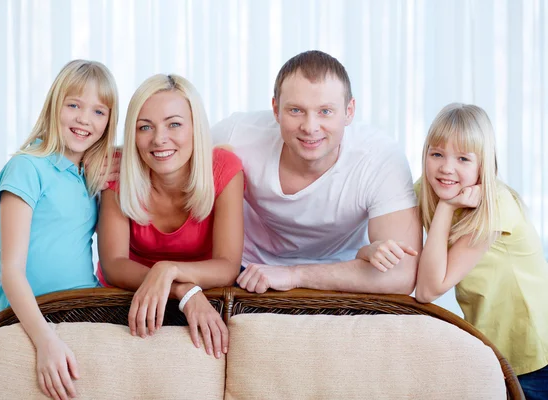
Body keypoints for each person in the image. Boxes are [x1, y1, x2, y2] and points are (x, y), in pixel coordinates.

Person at [211, 50, 421, 294]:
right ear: (275, 109)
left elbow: (403, 274)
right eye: (296, 111)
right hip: (245, 269)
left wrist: (294, 275)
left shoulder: (379, 158)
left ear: (349, 111)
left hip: (342, 274)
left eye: (325, 111)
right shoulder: (237, 134)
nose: (310, 127)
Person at [97, 74, 244, 360]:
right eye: (145, 127)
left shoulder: (224, 170)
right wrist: (183, 290)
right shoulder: (118, 171)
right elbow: (113, 265)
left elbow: (228, 266)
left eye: (174, 124)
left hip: (207, 297)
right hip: (125, 297)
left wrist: (167, 270)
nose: (159, 139)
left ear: (195, 128)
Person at [0, 59, 119, 400]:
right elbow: (11, 271)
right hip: (36, 313)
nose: (84, 119)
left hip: (85, 309)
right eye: (74, 105)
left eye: (99, 111)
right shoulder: (26, 167)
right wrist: (45, 339)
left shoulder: (89, 175)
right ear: (55, 106)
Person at [414, 103, 548, 400]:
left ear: (483, 165)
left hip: (533, 350)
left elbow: (427, 290)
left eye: (463, 158)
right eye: (436, 154)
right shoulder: (426, 189)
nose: (446, 167)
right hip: (492, 347)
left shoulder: (495, 204)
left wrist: (447, 207)